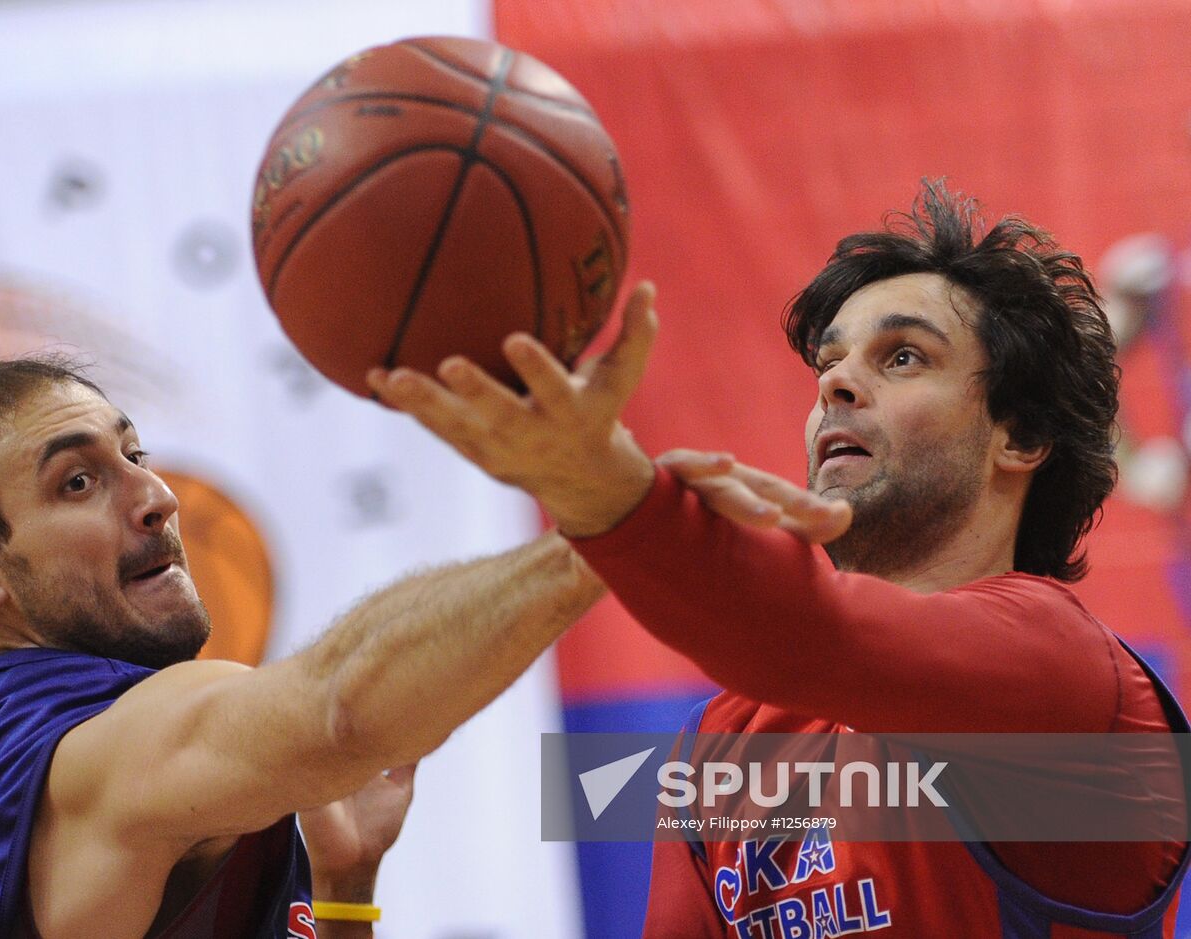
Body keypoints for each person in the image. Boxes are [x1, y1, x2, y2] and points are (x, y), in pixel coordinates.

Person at [371, 180, 1190, 937]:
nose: (837, 386)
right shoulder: (724, 742)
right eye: (828, 364)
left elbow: (805, 633)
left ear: (1021, 437)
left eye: (903, 356)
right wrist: (341, 901)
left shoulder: (1067, 676)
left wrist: (597, 482)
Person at [0, 358, 607, 938]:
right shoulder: (115, 737)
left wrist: (342, 893)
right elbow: (341, 708)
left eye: (133, 456)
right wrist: (608, 527)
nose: (157, 497)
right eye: (76, 481)